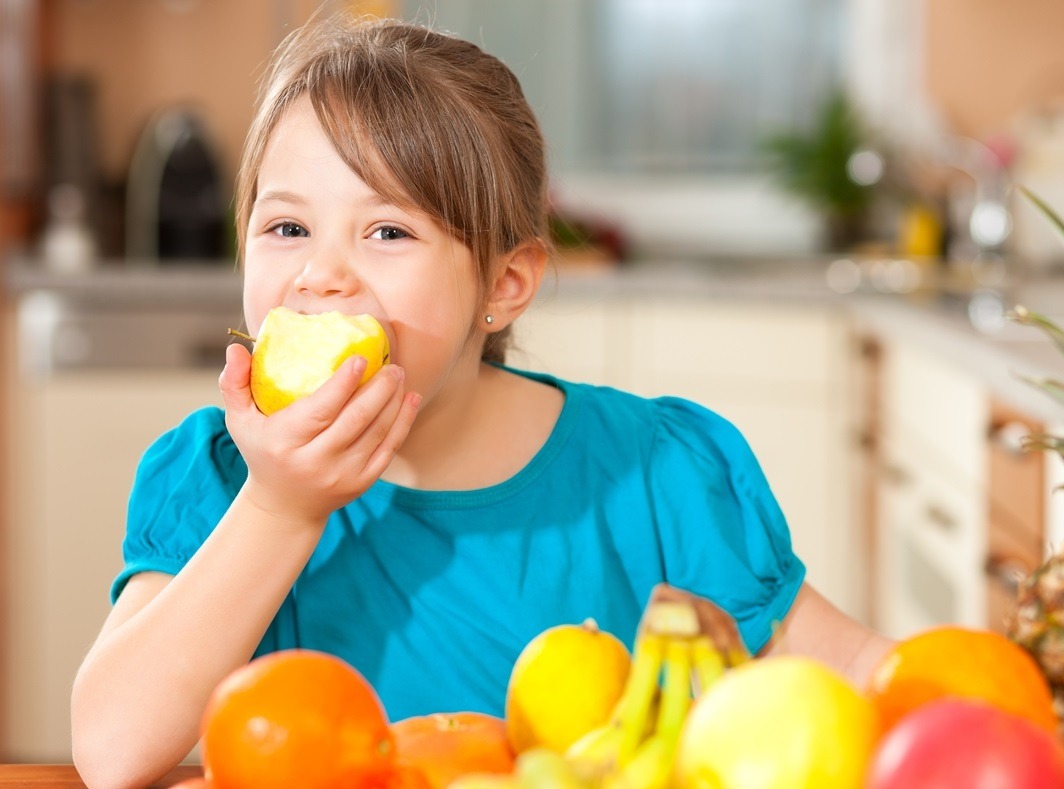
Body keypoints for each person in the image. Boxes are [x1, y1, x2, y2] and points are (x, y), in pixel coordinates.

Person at [71, 14, 893, 789]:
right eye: (287, 228)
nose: (322, 274)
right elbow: (111, 750)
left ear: (504, 283)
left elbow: (872, 681)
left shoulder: (655, 474)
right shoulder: (220, 480)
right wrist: (281, 507)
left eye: (387, 232)